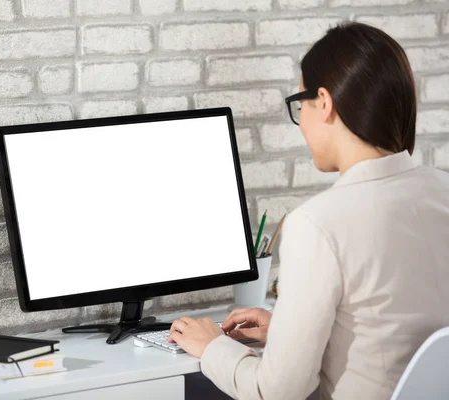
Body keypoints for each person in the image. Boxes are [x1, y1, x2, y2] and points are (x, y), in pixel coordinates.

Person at [168, 22, 449, 400]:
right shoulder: (442, 189)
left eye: (301, 106)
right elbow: (396, 336)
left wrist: (211, 345)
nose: (301, 122)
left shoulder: (317, 225)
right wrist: (288, 332)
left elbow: (275, 391)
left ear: (325, 102)